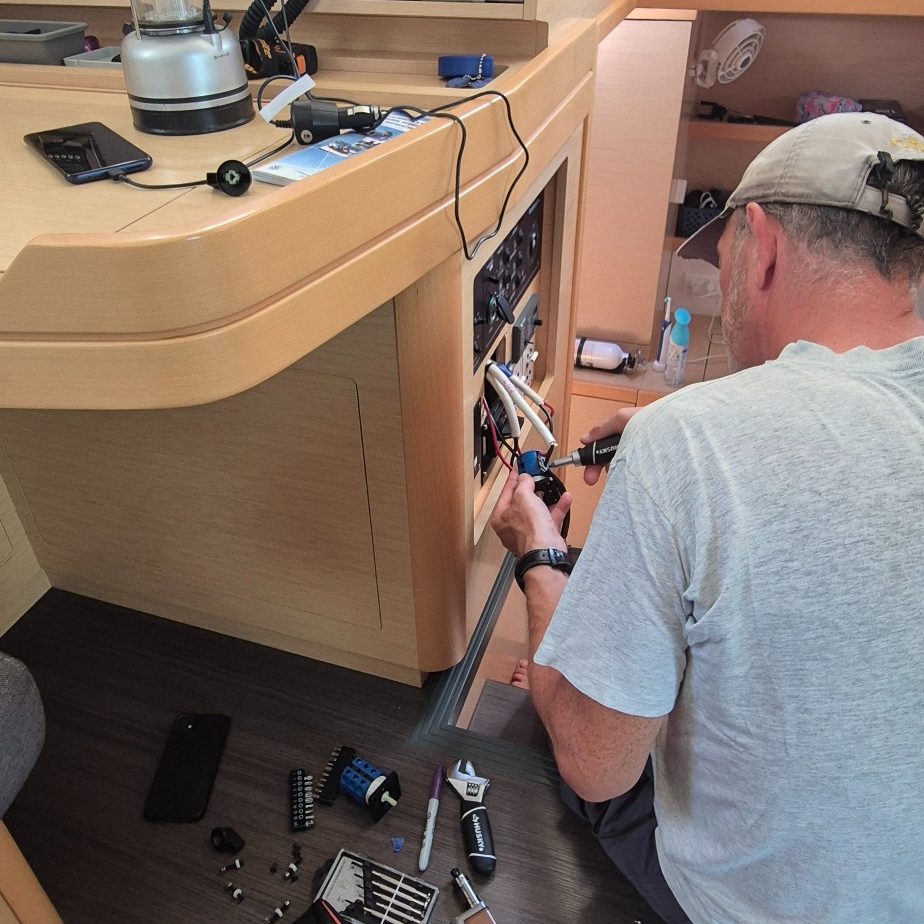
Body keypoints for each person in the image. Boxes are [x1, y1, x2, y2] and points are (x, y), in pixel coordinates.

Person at [490, 112, 924, 924]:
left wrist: (540, 557)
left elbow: (595, 766)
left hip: (743, 909)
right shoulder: (702, 432)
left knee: (568, 728)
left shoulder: (690, 442)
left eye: (722, 262)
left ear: (762, 247)